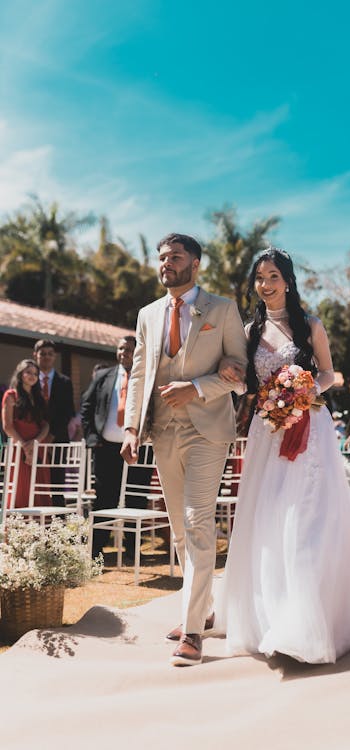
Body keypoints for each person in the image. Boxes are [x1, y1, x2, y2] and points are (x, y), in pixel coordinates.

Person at [218, 247, 350, 664]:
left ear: (288, 280)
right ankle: (268, 618)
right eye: (259, 277)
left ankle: (308, 623)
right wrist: (232, 378)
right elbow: (244, 385)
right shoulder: (248, 330)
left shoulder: (311, 325)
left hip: (310, 430)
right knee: (267, 516)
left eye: (273, 275)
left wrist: (305, 391)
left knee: (307, 518)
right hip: (266, 431)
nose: (266, 284)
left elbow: (329, 373)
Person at [120, 232, 247, 667]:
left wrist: (196, 387)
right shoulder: (148, 314)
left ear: (195, 264)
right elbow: (139, 374)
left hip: (207, 431)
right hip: (163, 433)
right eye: (161, 257)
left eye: (174, 257)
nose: (165, 264)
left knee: (196, 523)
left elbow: (240, 374)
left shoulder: (224, 309)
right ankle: (204, 609)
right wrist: (132, 427)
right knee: (177, 528)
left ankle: (193, 633)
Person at [80, 337, 152, 560]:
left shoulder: (148, 376)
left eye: (129, 349)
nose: (124, 353)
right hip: (106, 448)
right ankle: (97, 550)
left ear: (137, 352)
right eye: (121, 348)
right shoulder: (103, 377)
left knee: (136, 498)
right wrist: (92, 439)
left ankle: (133, 551)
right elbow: (86, 407)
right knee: (104, 498)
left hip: (139, 447)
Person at [1, 359, 50, 507]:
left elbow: (45, 425)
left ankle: (41, 527)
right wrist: (25, 447)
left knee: (40, 487)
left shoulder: (39, 398)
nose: (32, 376)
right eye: (28, 372)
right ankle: (19, 528)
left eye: (36, 373)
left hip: (38, 447)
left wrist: (34, 444)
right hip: (18, 448)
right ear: (20, 374)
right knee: (19, 487)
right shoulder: (11, 395)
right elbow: (7, 426)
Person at [33, 339, 75, 506]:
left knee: (56, 481)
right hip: (33, 438)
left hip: (57, 439)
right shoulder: (29, 379)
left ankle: (58, 524)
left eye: (50, 354)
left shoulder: (65, 382)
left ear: (55, 357)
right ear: (35, 355)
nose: (46, 357)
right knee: (34, 479)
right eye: (42, 353)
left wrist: (51, 435)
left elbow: (67, 412)